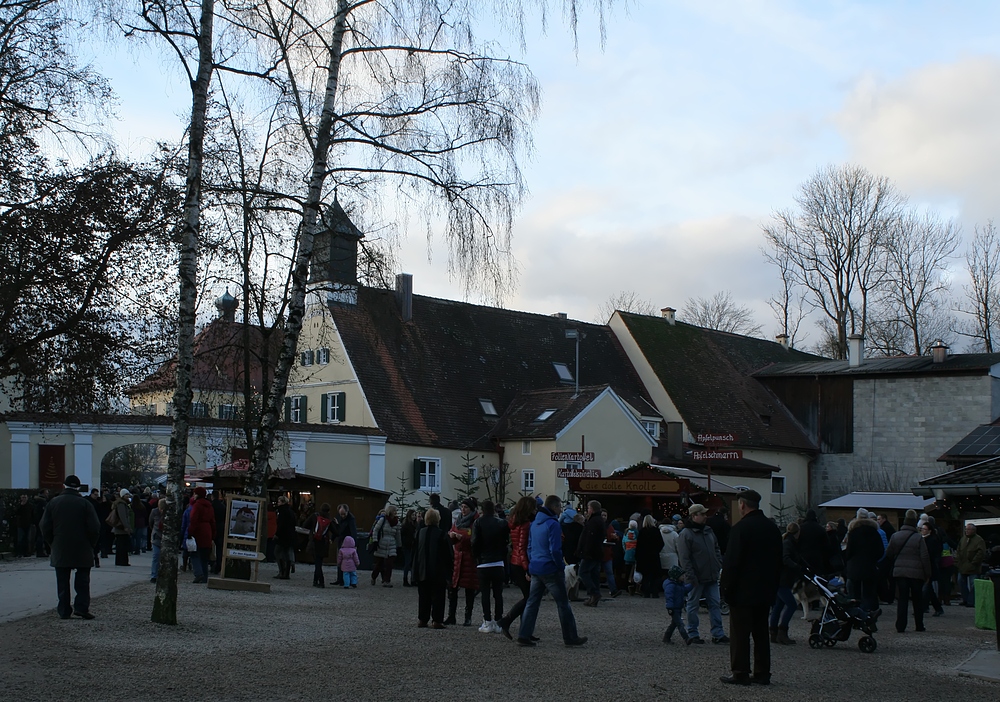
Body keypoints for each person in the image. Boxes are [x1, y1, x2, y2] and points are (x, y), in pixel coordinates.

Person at [719, 490, 782, 686]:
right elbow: (778, 561)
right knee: (761, 633)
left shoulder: (740, 529)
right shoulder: (772, 528)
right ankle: (763, 672)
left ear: (742, 505)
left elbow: (732, 563)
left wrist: (726, 588)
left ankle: (740, 672)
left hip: (742, 591)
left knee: (740, 634)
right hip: (765, 590)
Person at [515, 495, 587, 647]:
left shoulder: (535, 523)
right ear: (554, 507)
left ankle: (524, 634)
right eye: (560, 507)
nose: (561, 510)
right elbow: (555, 549)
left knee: (532, 602)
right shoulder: (552, 524)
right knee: (563, 603)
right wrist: (560, 565)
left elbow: (529, 546)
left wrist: (532, 563)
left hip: (536, 567)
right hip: (550, 568)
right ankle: (570, 636)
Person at [39, 475, 101, 620]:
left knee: (62, 580)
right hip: (82, 546)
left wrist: (52, 543)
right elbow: (95, 527)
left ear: (64, 485)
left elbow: (44, 526)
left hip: (60, 545)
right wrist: (91, 544)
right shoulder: (85, 504)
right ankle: (81, 607)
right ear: (78, 487)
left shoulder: (53, 503)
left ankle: (64, 609)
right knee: (83, 580)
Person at [678, 503, 727, 645]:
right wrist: (691, 575)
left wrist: (718, 563)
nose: (706, 516)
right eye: (703, 514)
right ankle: (693, 633)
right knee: (693, 605)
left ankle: (718, 633)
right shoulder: (686, 534)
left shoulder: (708, 530)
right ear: (694, 516)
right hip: (696, 577)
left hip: (711, 574)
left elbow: (716, 548)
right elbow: (684, 558)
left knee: (714, 604)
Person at [885, 509, 930, 633]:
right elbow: (925, 557)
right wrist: (927, 573)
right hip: (916, 573)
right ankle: (919, 625)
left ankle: (901, 626)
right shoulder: (919, 538)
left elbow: (889, 553)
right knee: (917, 599)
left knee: (902, 599)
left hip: (900, 573)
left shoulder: (895, 536)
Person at [497, 496, 537, 639]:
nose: (535, 510)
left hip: (515, 562)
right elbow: (522, 548)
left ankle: (524, 630)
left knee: (528, 598)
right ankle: (507, 620)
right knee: (529, 598)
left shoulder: (515, 522)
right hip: (521, 564)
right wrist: (527, 569)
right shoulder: (525, 524)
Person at [472, 499, 510, 633]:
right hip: (498, 562)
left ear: (482, 510)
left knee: (485, 594)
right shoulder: (502, 523)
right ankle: (498, 621)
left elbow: (475, 542)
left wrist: (476, 557)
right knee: (498, 594)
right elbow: (506, 541)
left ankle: (487, 621)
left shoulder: (478, 523)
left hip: (483, 563)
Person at [414, 508, 454, 628]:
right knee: (438, 596)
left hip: (422, 568)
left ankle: (423, 619)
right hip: (437, 569)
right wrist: (449, 572)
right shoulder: (442, 534)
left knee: (423, 595)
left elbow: (415, 552)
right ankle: (437, 620)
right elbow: (448, 554)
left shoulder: (420, 533)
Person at [843, 508, 883, 614]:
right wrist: (873, 560)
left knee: (854, 591)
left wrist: (848, 559)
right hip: (869, 566)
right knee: (869, 592)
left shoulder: (853, 532)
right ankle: (869, 612)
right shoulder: (874, 532)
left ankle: (855, 613)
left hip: (854, 566)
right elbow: (880, 550)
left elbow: (849, 550)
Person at [769, 522, 801, 645]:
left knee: (779, 605)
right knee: (791, 604)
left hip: (780, 578)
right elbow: (786, 558)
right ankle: (782, 630)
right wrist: (796, 566)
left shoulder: (786, 542)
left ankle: (773, 631)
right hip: (783, 580)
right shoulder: (789, 544)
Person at [447, 498, 479, 625]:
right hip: (457, 557)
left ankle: (468, 617)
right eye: (462, 507)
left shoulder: (475, 521)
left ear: (471, 509)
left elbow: (475, 539)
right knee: (452, 588)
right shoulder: (458, 520)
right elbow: (452, 531)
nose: (463, 510)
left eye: (466, 507)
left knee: (469, 590)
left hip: (469, 558)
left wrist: (464, 538)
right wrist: (452, 536)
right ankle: (451, 616)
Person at [577, 500, 606, 607]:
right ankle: (593, 597)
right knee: (594, 574)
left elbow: (589, 538)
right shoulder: (598, 520)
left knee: (583, 572)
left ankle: (594, 593)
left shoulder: (594, 521)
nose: (587, 510)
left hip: (591, 553)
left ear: (592, 509)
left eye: (589, 508)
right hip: (597, 552)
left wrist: (584, 551)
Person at [188, 487, 216, 584]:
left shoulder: (197, 506)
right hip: (207, 530)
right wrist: (213, 534)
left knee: (195, 553)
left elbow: (193, 520)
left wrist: (190, 532)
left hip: (199, 531)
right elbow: (213, 521)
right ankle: (205, 576)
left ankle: (199, 574)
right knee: (204, 556)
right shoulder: (209, 506)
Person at [956, 523, 987, 607]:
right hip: (962, 565)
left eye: (968, 529)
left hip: (973, 566)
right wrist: (957, 560)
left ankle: (971, 601)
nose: (966, 531)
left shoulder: (979, 540)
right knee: (961, 582)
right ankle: (965, 599)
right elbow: (958, 549)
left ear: (973, 530)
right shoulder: (963, 539)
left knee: (973, 584)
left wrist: (974, 562)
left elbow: (981, 552)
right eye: (966, 529)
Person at [919, 519, 944, 617]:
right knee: (928, 590)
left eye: (924, 529)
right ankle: (933, 607)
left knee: (926, 589)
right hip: (925, 567)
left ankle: (925, 607)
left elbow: (932, 555)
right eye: (922, 529)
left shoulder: (932, 540)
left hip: (930, 567)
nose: (922, 531)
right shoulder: (924, 539)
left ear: (929, 530)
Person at [304, 503, 334, 588]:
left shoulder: (314, 516)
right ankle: (316, 580)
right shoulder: (329, 519)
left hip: (314, 542)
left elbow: (305, 525)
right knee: (319, 562)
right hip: (323, 543)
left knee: (317, 563)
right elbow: (336, 532)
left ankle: (320, 581)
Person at [634, 514, 664, 598]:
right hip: (654, 556)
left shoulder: (642, 531)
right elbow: (661, 543)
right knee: (655, 576)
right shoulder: (656, 531)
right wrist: (656, 551)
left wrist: (637, 556)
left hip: (644, 556)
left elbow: (638, 546)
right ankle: (655, 593)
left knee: (646, 576)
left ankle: (646, 593)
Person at [371, 504, 401, 586]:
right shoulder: (383, 520)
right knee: (379, 564)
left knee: (389, 564)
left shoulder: (397, 522)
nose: (396, 512)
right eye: (394, 511)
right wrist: (375, 541)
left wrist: (399, 545)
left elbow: (398, 535)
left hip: (392, 544)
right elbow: (375, 530)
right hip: (381, 543)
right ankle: (374, 576)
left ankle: (386, 580)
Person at [662, 565, 692, 644]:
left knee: (674, 624)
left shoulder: (679, 584)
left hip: (677, 607)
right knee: (679, 624)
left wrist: (692, 585)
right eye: (682, 575)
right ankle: (686, 638)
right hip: (674, 608)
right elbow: (669, 597)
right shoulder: (672, 586)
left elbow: (685, 589)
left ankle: (666, 638)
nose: (684, 577)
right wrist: (670, 607)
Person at [333, 503, 357, 585]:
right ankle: (340, 579)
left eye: (343, 514)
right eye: (341, 514)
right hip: (341, 540)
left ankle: (344, 579)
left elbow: (353, 531)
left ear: (347, 511)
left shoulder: (351, 519)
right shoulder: (341, 517)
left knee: (345, 561)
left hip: (347, 542)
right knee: (340, 560)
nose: (342, 516)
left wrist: (354, 544)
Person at [274, 495, 297, 579]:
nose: (277, 503)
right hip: (290, 535)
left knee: (278, 552)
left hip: (283, 536)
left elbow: (281, 524)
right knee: (286, 553)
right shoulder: (290, 511)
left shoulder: (282, 512)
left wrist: (277, 534)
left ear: (283, 502)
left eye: (279, 502)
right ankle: (286, 572)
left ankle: (282, 571)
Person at [111, 489, 134, 566]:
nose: (128, 496)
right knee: (123, 545)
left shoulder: (121, 503)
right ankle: (123, 561)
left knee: (120, 545)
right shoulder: (121, 504)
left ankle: (119, 561)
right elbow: (123, 516)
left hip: (119, 528)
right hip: (121, 528)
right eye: (126, 495)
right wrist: (126, 526)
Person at [149, 498, 168, 583]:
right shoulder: (154, 512)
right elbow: (150, 522)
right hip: (157, 536)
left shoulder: (168, 513)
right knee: (156, 556)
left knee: (164, 557)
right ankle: (154, 575)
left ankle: (162, 574)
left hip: (165, 536)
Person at [400, 509, 419, 587]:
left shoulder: (414, 524)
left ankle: (412, 579)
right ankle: (405, 579)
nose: (414, 517)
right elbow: (403, 536)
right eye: (413, 515)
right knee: (408, 563)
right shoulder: (406, 525)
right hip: (407, 545)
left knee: (411, 563)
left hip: (412, 545)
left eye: (415, 515)